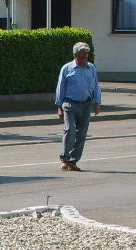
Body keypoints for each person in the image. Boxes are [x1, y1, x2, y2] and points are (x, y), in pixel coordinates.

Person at [55, 42, 102, 171]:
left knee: (81, 134)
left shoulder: (91, 68)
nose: (85, 56)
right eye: (82, 53)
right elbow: (60, 88)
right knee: (70, 130)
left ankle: (73, 161)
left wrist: (97, 103)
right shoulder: (67, 68)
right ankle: (65, 159)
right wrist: (59, 107)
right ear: (75, 54)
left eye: (86, 53)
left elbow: (96, 86)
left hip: (86, 104)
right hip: (69, 104)